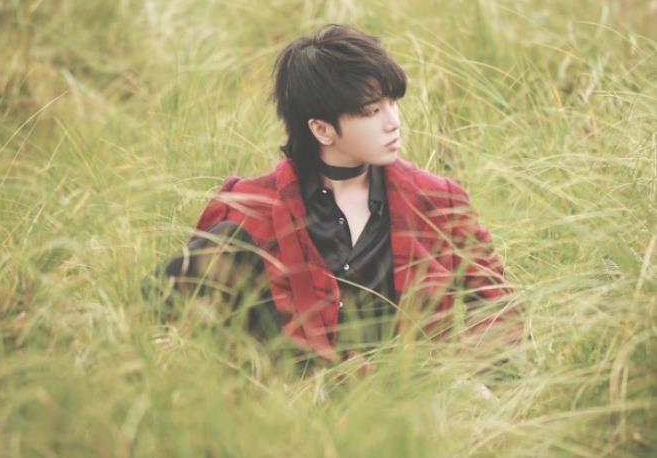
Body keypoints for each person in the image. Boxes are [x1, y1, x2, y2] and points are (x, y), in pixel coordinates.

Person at [144, 24, 520, 366]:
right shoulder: (250, 206)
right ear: (322, 130)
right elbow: (164, 305)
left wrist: (474, 380)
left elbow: (498, 308)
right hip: (294, 399)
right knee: (227, 243)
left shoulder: (437, 200)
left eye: (393, 103)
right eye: (372, 111)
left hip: (409, 395)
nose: (393, 122)